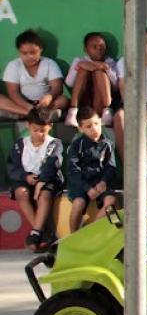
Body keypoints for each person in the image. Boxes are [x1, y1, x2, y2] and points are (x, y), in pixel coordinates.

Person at [8, 107, 62, 249]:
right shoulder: (20, 145)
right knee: (21, 193)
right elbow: (13, 167)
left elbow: (53, 164)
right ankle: (40, 232)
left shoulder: (54, 144)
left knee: (44, 195)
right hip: (26, 179)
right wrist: (26, 177)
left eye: (42, 130)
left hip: (48, 179)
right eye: (35, 130)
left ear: (50, 127)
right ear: (28, 126)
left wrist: (41, 181)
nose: (39, 134)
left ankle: (36, 232)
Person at [64, 106, 117, 235]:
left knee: (111, 201)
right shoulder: (76, 145)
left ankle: (89, 232)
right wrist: (87, 188)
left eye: (96, 124)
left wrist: (104, 182)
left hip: (100, 182)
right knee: (78, 203)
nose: (94, 129)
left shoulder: (107, 144)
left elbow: (111, 167)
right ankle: (74, 235)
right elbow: (73, 170)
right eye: (88, 127)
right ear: (80, 128)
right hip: (81, 183)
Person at [2, 29, 67, 120]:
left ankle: (37, 114)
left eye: (33, 52)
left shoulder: (49, 63)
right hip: (22, 104)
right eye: (24, 53)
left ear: (41, 49)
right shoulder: (13, 65)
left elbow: (57, 87)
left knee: (63, 100)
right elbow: (13, 93)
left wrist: (49, 97)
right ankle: (32, 114)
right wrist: (28, 107)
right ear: (19, 52)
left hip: (45, 104)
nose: (30, 56)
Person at [63, 32, 117, 127]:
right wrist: (78, 66)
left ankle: (107, 111)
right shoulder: (79, 60)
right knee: (83, 69)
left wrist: (106, 68)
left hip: (100, 104)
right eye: (94, 47)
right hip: (84, 103)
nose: (99, 50)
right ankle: (72, 112)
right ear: (86, 49)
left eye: (102, 47)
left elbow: (117, 85)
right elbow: (69, 83)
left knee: (99, 72)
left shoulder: (109, 62)